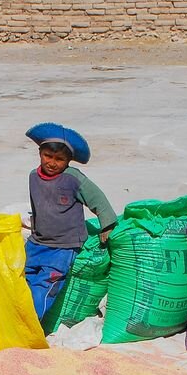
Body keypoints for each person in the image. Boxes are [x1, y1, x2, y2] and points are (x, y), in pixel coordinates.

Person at [22, 122, 117, 322]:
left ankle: (31, 323)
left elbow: (97, 199)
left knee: (45, 285)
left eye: (60, 159)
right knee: (23, 277)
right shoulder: (33, 177)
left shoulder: (73, 179)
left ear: (68, 161)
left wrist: (107, 225)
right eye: (48, 156)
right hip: (38, 242)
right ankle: (18, 317)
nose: (52, 163)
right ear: (40, 153)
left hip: (63, 246)